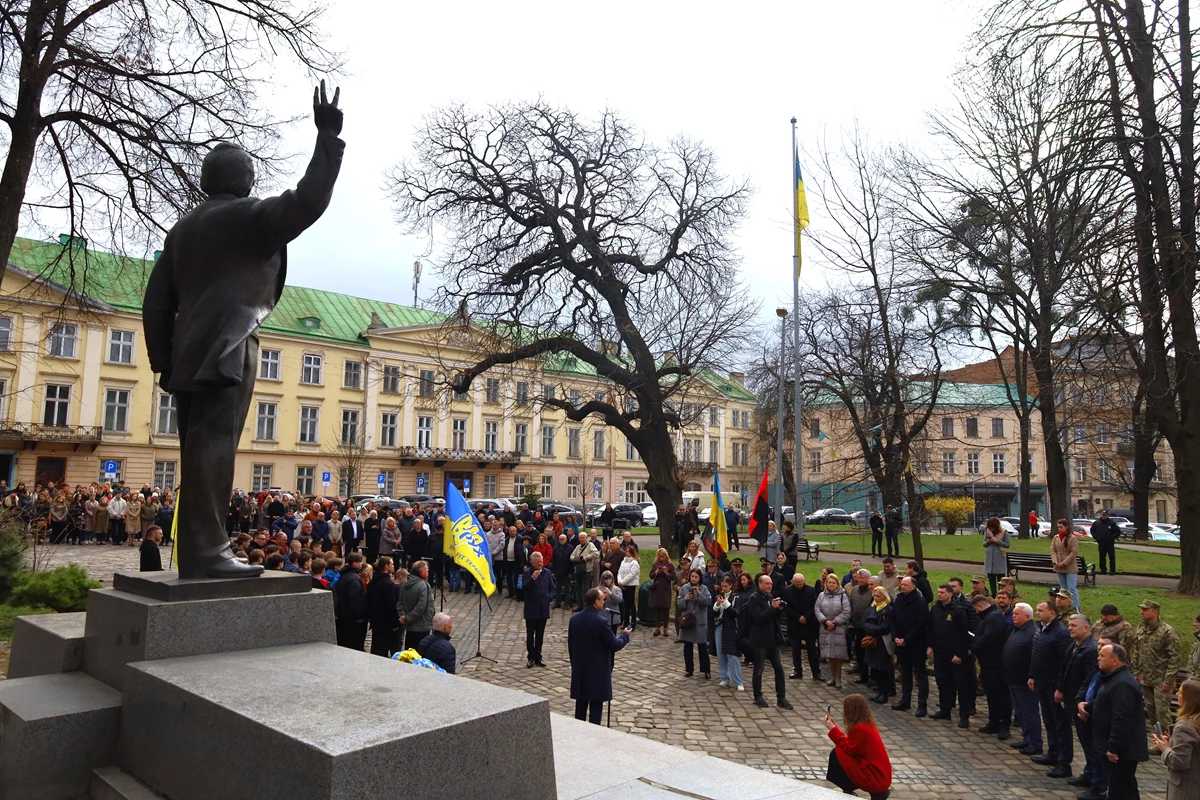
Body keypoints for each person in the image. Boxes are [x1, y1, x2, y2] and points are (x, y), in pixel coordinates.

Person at [1083, 643, 1148, 800]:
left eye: (1102, 656)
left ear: (1115, 660)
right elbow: (1105, 703)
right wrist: (1088, 708)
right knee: (1125, 787)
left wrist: (1113, 747)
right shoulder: (1113, 679)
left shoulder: (1123, 683)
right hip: (1116, 747)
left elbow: (1121, 718)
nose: (1098, 658)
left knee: (1120, 789)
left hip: (1122, 751)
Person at [567, 587, 630, 725]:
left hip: (580, 670)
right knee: (595, 709)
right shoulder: (600, 622)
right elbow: (614, 645)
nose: (604, 602)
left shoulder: (574, 620)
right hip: (597, 672)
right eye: (602, 600)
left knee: (580, 707)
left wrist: (575, 664)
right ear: (595, 602)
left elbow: (570, 646)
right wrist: (625, 636)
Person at [823, 693, 893, 800]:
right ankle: (849, 787)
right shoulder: (867, 724)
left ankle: (847, 787)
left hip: (875, 777)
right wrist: (834, 728)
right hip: (881, 775)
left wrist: (832, 729)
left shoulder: (859, 728)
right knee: (840, 752)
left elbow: (849, 749)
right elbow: (853, 745)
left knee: (837, 753)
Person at [1130, 598, 1180, 746]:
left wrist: (1168, 680)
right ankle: (1159, 742)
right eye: (1142, 609)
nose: (1142, 612)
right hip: (1145, 678)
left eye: (1145, 609)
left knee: (1163, 714)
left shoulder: (1167, 632)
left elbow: (1175, 657)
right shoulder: (1141, 628)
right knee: (1151, 713)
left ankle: (1171, 744)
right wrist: (1137, 672)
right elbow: (1136, 651)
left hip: (1161, 680)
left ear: (1155, 611)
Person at [1059, 613, 1100, 791]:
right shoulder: (1075, 645)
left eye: (1074, 625)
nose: (1069, 628)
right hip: (1070, 698)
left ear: (1086, 628)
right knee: (1084, 741)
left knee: (1089, 741)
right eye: (1069, 625)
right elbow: (1066, 669)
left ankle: (1094, 777)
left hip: (1082, 702)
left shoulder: (1090, 649)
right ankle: (1089, 772)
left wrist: (1079, 700)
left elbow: (1089, 679)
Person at [1030, 600, 1072, 773]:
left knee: (1060, 724)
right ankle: (1052, 752)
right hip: (1042, 682)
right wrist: (1032, 675)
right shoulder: (1041, 628)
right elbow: (1036, 654)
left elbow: (1064, 663)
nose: (1037, 613)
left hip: (1054, 685)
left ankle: (1064, 761)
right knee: (1048, 720)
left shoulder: (1060, 633)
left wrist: (1060, 687)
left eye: (1041, 610)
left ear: (1052, 613)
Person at [745, 573, 793, 710]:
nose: (770, 586)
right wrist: (772, 608)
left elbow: (774, 618)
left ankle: (781, 698)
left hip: (772, 640)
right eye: (767, 584)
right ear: (760, 584)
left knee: (779, 669)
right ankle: (758, 696)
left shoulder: (770, 596)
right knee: (759, 669)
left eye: (771, 583)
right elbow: (758, 619)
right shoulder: (754, 599)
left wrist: (779, 609)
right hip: (759, 640)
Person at [1003, 602, 1043, 755]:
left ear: (1027, 616)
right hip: (1013, 678)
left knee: (1029, 712)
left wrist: (1031, 676)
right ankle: (1026, 738)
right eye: (1013, 613)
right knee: (1021, 712)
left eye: (1016, 614)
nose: (1013, 616)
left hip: (1024, 680)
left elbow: (1034, 657)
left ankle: (1035, 742)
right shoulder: (1017, 629)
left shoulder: (1032, 632)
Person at [929, 584, 971, 727]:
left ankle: (964, 716)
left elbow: (964, 634)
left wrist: (959, 654)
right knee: (942, 682)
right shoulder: (935, 608)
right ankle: (944, 710)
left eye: (942, 592)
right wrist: (930, 646)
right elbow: (931, 628)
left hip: (955, 654)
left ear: (950, 594)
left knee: (960, 685)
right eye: (938, 592)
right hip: (940, 652)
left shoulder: (958, 611)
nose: (939, 594)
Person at [1152, 678, 1200, 800]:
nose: (1177, 694)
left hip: (1185, 788)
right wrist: (1172, 743)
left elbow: (1179, 762)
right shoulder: (1195, 722)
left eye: (1180, 692)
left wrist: (1164, 748)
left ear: (1188, 699)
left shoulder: (1184, 727)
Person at [971, 593, 1012, 739]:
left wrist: (974, 645)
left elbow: (987, 639)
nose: (976, 612)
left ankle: (1003, 724)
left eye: (976, 609)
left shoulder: (993, 618)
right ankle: (993, 722)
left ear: (980, 606)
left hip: (996, 665)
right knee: (992, 695)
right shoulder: (991, 617)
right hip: (989, 664)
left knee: (1000, 696)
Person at [890, 576, 929, 716]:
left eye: (906, 585)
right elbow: (892, 618)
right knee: (905, 673)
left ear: (913, 586)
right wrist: (896, 637)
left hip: (916, 643)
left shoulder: (920, 601)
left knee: (920, 674)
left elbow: (921, 624)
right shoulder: (899, 598)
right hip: (900, 642)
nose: (903, 587)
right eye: (902, 584)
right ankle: (905, 700)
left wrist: (906, 639)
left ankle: (922, 705)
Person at [816, 573, 852, 689]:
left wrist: (835, 622)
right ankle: (832, 676)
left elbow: (846, 611)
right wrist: (825, 621)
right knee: (830, 654)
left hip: (838, 628)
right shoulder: (821, 595)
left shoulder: (843, 595)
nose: (831, 584)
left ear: (837, 584)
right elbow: (817, 609)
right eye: (829, 582)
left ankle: (838, 678)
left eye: (833, 582)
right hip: (825, 628)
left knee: (838, 655)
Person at [783, 572, 820, 681]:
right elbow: (786, 607)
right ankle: (797, 671)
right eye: (797, 583)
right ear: (793, 582)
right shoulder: (787, 591)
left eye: (801, 583)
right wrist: (798, 617)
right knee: (795, 650)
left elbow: (814, 606)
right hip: (794, 624)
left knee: (812, 650)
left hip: (809, 624)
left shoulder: (811, 590)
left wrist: (806, 617)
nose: (799, 585)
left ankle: (816, 672)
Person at [862, 586, 895, 705]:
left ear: (884, 596)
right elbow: (864, 623)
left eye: (879, 595)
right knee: (875, 668)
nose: (876, 597)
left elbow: (886, 627)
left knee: (883, 669)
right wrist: (870, 629)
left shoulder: (888, 609)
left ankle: (884, 693)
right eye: (875, 595)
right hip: (872, 642)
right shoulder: (872, 608)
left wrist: (872, 629)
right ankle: (879, 692)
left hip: (883, 643)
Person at [523, 551, 555, 668]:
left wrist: (549, 598)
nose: (540, 564)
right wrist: (532, 579)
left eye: (541, 561)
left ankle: (538, 657)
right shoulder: (527, 572)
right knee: (530, 635)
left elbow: (553, 589)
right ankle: (530, 657)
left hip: (543, 609)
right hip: (531, 609)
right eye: (537, 562)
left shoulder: (547, 573)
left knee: (540, 636)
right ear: (532, 562)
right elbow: (524, 588)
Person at [678, 568, 712, 679]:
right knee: (687, 647)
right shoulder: (684, 588)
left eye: (696, 577)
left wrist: (699, 594)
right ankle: (689, 669)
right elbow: (679, 604)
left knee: (702, 647)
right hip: (688, 621)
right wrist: (686, 598)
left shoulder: (704, 588)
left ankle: (706, 670)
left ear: (700, 578)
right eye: (692, 576)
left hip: (700, 622)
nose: (694, 579)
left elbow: (707, 602)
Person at [713, 576, 745, 691]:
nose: (723, 588)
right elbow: (714, 613)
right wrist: (717, 605)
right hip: (719, 626)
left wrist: (725, 603)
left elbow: (735, 613)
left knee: (732, 654)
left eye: (726, 586)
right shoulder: (720, 596)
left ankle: (738, 680)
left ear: (731, 586)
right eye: (722, 586)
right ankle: (724, 677)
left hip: (731, 628)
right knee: (721, 653)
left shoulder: (736, 597)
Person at [366, 556, 400, 657]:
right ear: (386, 566)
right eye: (392, 564)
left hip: (375, 620)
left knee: (376, 646)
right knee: (382, 649)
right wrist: (395, 622)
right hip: (385, 623)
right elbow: (391, 605)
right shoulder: (388, 583)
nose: (393, 566)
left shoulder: (374, 580)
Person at [333, 552, 367, 650]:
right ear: (354, 563)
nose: (361, 564)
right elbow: (356, 601)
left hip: (343, 617)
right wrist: (360, 617)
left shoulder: (343, 576)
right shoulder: (354, 579)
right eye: (359, 562)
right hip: (353, 621)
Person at [398, 560, 434, 652]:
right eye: (426, 570)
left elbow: (400, 603)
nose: (428, 572)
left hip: (409, 626)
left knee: (410, 652)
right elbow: (421, 607)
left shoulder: (405, 583)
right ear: (420, 571)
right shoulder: (423, 585)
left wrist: (403, 616)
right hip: (422, 626)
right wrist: (408, 618)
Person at [1051, 518, 1081, 610]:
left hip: (1070, 567)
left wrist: (1064, 563)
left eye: (1061, 527)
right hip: (1058, 567)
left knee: (1071, 588)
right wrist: (1055, 562)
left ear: (1066, 527)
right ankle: (1064, 606)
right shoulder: (1056, 537)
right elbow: (1053, 550)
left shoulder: (1072, 538)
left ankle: (1076, 607)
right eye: (1058, 527)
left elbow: (1073, 553)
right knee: (1063, 589)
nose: (1059, 529)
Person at [648, 548, 676, 638]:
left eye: (663, 556)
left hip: (665, 589)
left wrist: (666, 572)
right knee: (657, 609)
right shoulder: (655, 564)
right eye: (660, 556)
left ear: (666, 556)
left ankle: (665, 628)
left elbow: (673, 577)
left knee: (665, 609)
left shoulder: (670, 565)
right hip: (657, 589)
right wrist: (656, 572)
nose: (661, 558)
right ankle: (657, 627)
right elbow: (651, 575)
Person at [569, 532, 600, 611]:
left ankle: (585, 607)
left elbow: (596, 553)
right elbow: (571, 556)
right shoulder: (578, 546)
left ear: (586, 538)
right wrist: (577, 558)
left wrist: (586, 557)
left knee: (585, 589)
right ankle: (579, 606)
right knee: (578, 589)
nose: (582, 539)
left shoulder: (590, 545)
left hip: (587, 570)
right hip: (578, 570)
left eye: (583, 537)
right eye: (580, 538)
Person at [982, 516, 1010, 597]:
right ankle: (993, 594)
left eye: (993, 527)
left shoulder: (1004, 532)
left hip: (999, 558)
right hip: (990, 559)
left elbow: (1007, 545)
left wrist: (997, 541)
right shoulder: (987, 532)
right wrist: (990, 541)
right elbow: (984, 544)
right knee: (991, 578)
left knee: (1001, 579)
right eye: (990, 527)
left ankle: (1001, 594)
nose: (991, 529)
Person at [1091, 509, 1121, 575]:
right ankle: (1103, 570)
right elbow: (1092, 531)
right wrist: (1096, 538)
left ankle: (1112, 571)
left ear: (1107, 515)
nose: (1104, 516)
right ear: (1101, 515)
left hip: (1110, 543)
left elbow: (1117, 531)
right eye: (1103, 515)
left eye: (1105, 515)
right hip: (1101, 543)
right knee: (1102, 557)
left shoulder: (1111, 523)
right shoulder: (1097, 523)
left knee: (1111, 557)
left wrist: (1112, 537)